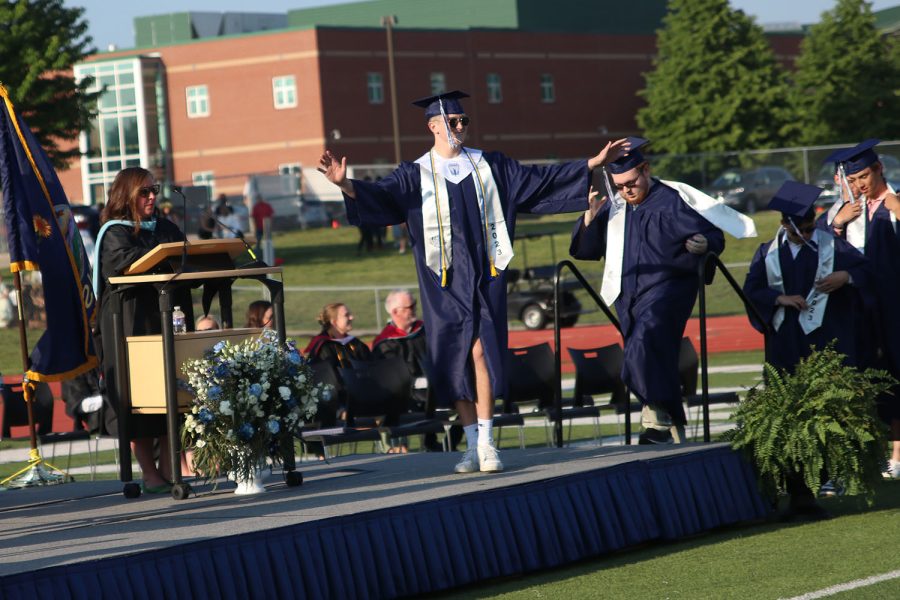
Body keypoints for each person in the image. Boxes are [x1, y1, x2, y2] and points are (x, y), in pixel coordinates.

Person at [318, 90, 627, 474]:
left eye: (464, 121)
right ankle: (470, 444)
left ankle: (487, 442)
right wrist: (345, 185)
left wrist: (591, 163)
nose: (461, 126)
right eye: (453, 121)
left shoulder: (491, 165)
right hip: (442, 282)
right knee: (455, 360)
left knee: (481, 352)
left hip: (486, 276)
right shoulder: (414, 174)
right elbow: (379, 196)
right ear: (433, 126)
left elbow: (539, 180)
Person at [569, 137, 753, 445]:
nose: (626, 190)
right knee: (652, 354)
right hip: (626, 293)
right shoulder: (615, 206)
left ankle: (656, 418)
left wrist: (705, 244)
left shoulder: (672, 200)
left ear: (645, 170)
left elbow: (712, 235)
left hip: (669, 288)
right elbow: (585, 250)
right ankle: (667, 420)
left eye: (630, 182)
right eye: (619, 185)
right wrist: (589, 218)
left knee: (643, 344)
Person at [94, 166, 194, 493]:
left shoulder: (164, 226)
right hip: (131, 325)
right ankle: (149, 473)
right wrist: (164, 259)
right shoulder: (115, 232)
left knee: (169, 396)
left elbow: (182, 256)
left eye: (155, 190)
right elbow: (125, 262)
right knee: (141, 398)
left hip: (166, 319)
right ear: (127, 195)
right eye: (144, 192)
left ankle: (168, 466)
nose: (152, 197)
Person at [820, 140, 900, 479]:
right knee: (864, 378)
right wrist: (836, 223)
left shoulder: (894, 203)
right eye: (852, 180)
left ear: (879, 168)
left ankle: (897, 455)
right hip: (858, 309)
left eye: (864, 176)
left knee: (898, 374)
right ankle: (862, 459)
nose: (859, 185)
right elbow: (820, 246)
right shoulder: (848, 208)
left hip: (895, 306)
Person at [743, 181, 872, 373]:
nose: (804, 236)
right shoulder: (767, 253)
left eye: (809, 229)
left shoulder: (833, 246)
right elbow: (751, 290)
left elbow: (867, 271)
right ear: (784, 225)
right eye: (797, 232)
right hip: (786, 334)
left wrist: (846, 276)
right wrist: (779, 298)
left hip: (828, 331)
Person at [303, 302, 372, 368]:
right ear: (334, 322)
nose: (351, 317)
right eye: (346, 315)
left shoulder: (355, 343)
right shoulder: (322, 346)